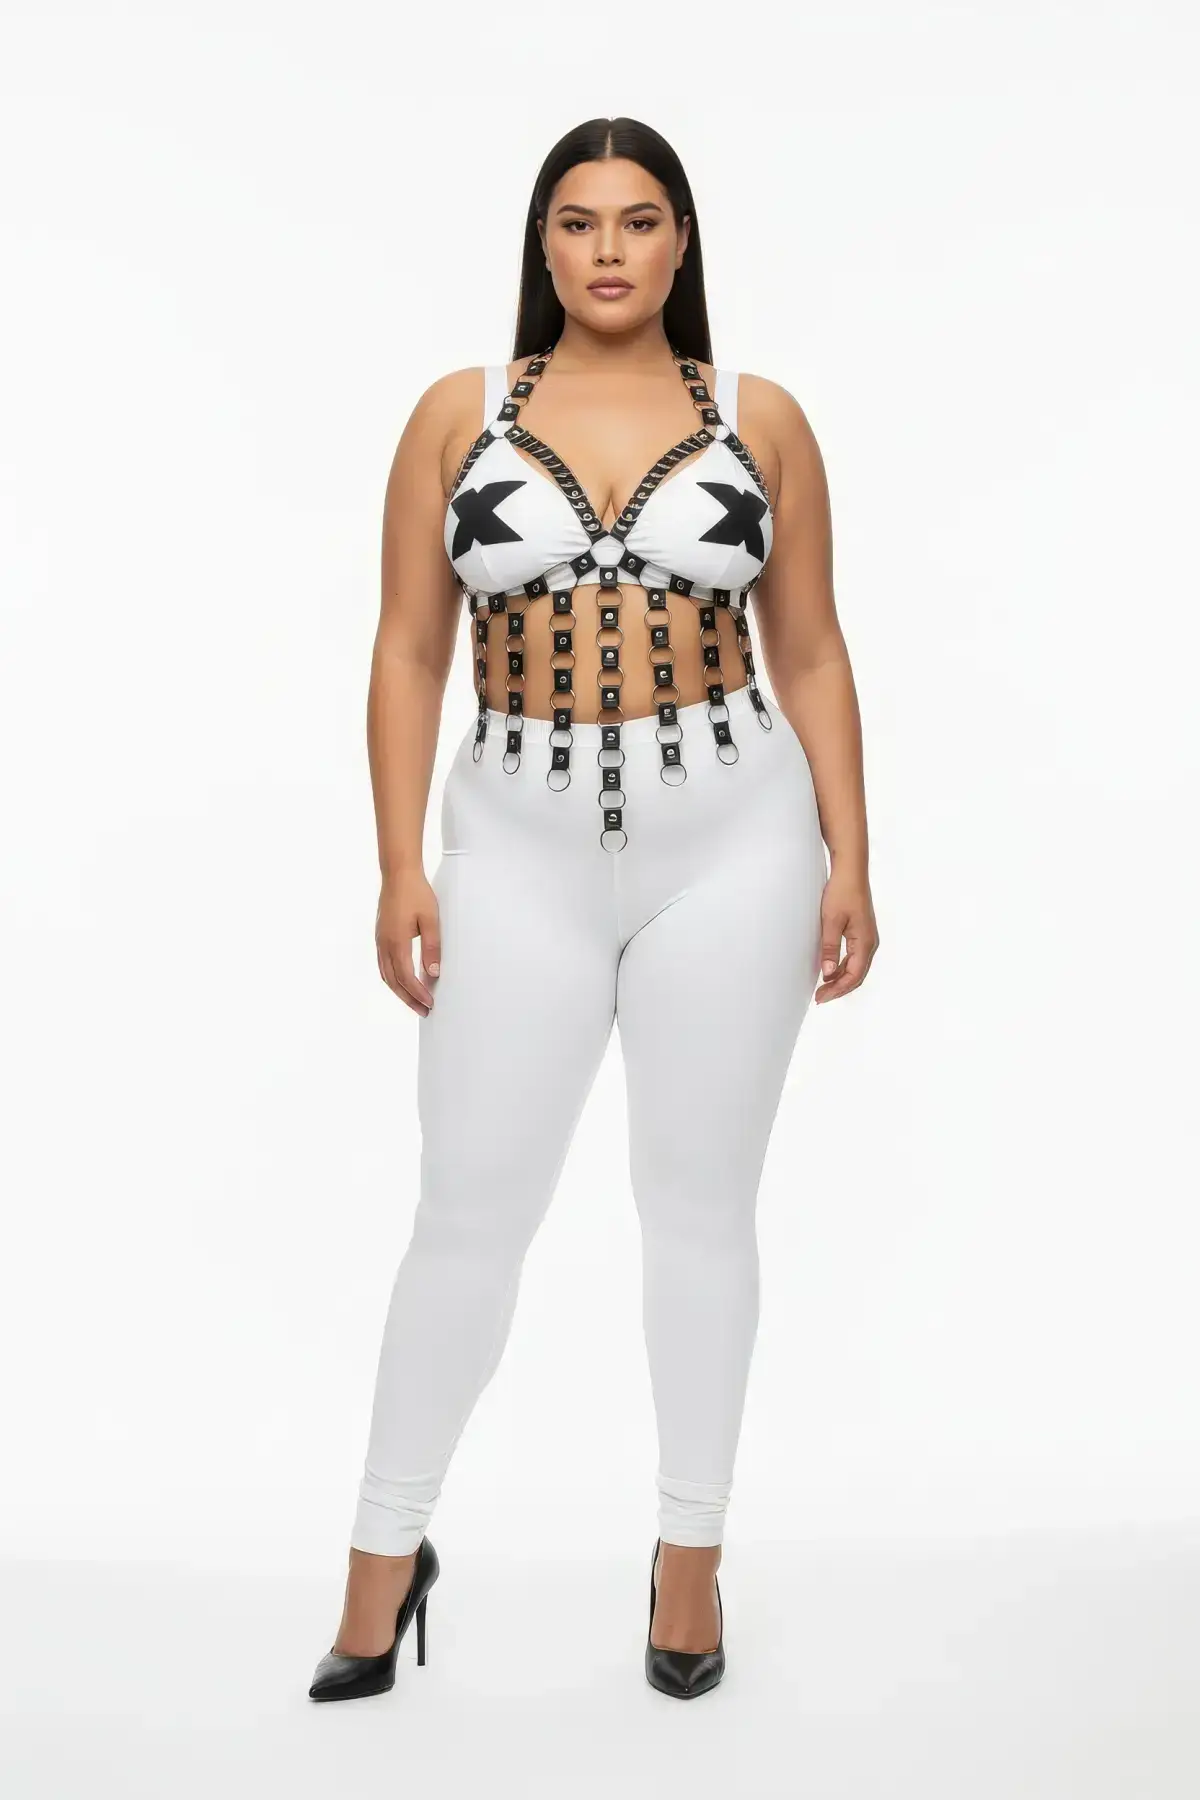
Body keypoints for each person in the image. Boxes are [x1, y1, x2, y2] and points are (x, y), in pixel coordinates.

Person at [308, 115, 878, 1704]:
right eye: (578, 220)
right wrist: (401, 862)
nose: (609, 248)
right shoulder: (460, 414)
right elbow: (407, 647)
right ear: (542, 243)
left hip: (737, 844)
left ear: (681, 239)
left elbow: (811, 646)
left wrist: (850, 850)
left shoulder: (759, 416)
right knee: (467, 1212)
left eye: (638, 218)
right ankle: (381, 1556)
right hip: (514, 848)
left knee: (699, 1210)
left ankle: (690, 1562)